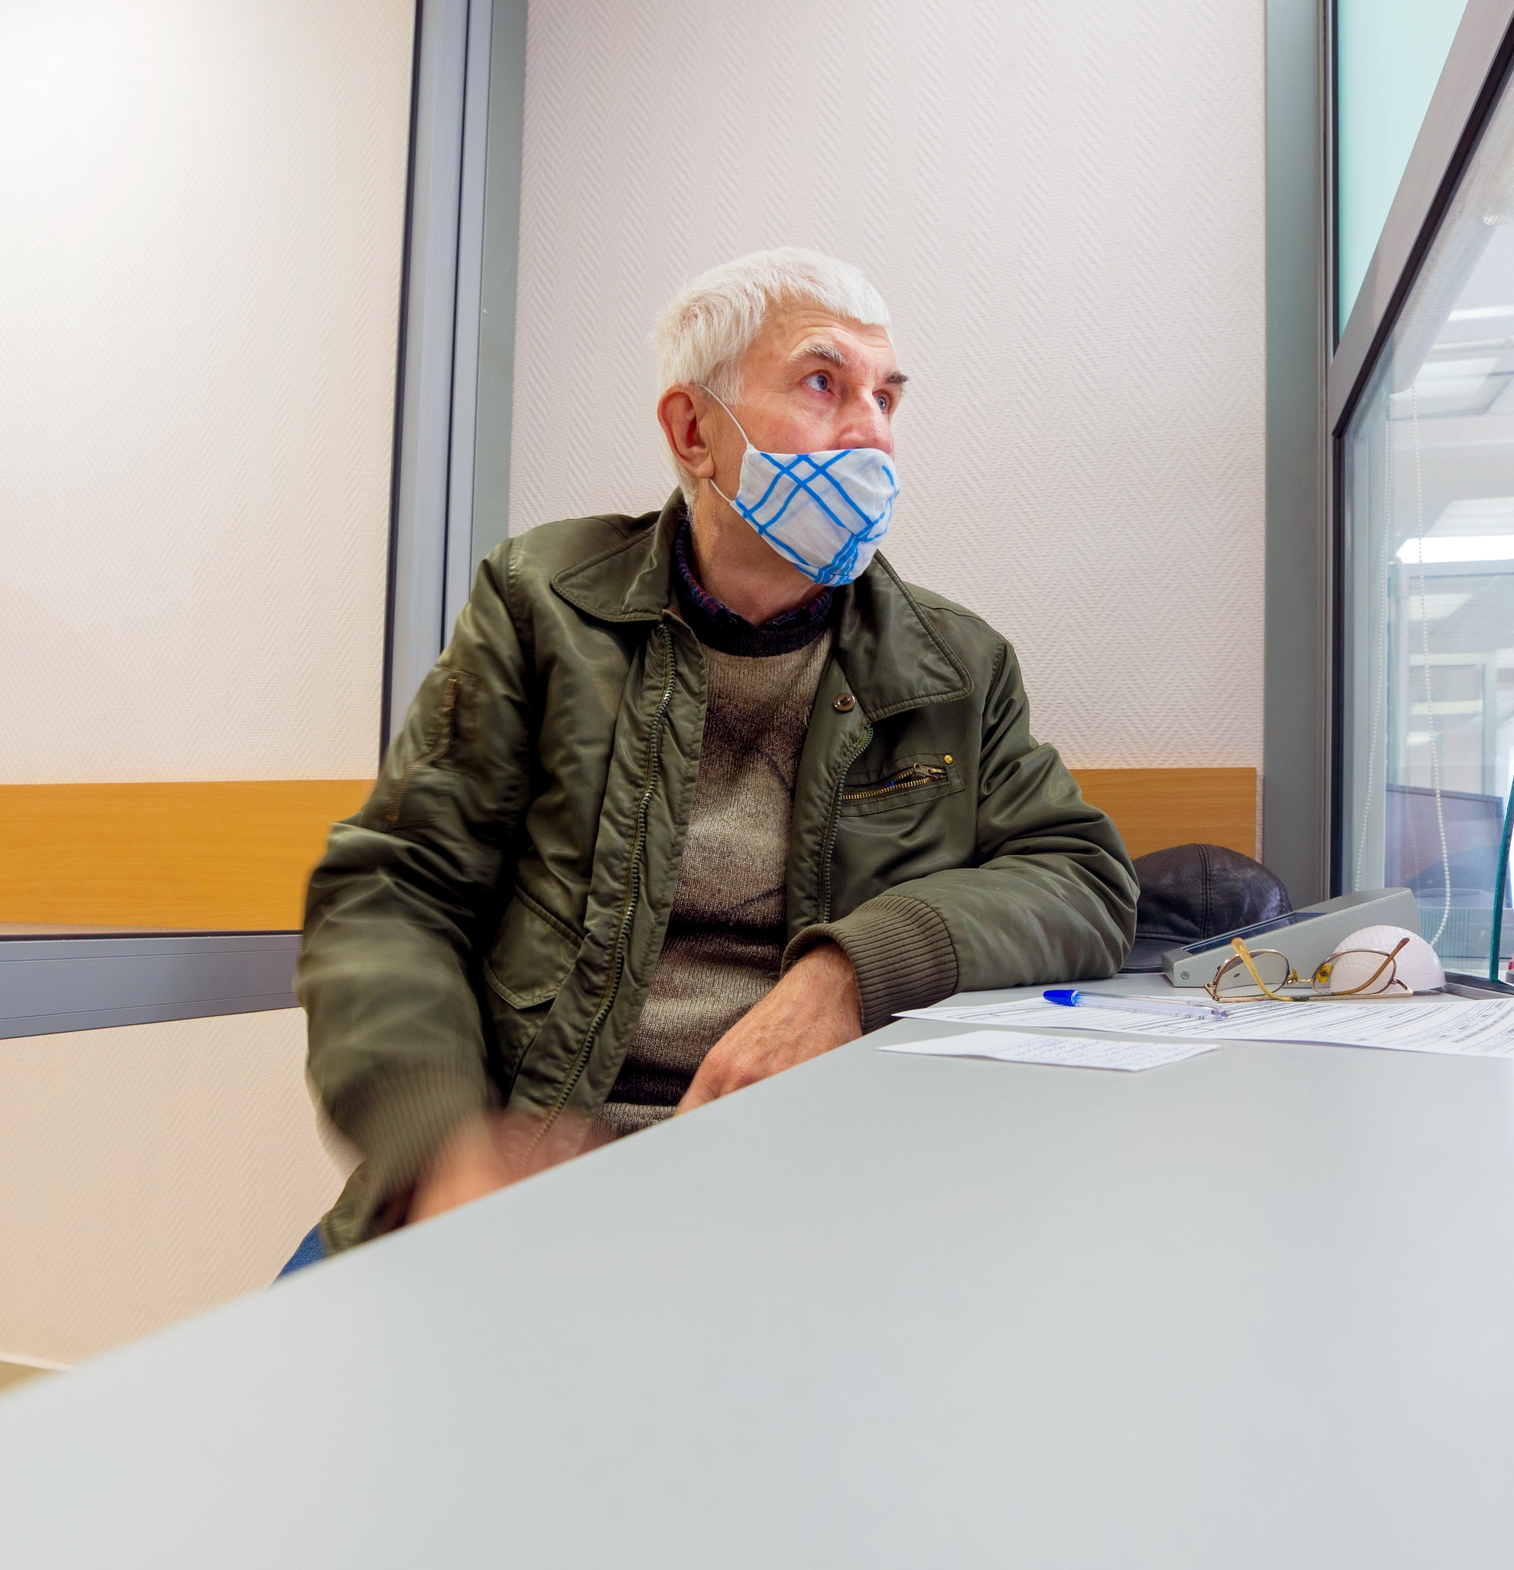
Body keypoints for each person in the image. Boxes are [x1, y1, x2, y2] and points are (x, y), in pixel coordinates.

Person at [292, 248, 1136, 1259]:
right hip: (534, 1179)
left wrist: (851, 972)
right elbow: (392, 890)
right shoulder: (541, 607)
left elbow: (1080, 876)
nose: (871, 430)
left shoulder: (955, 665)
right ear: (695, 432)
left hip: (817, 1197)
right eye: (825, 384)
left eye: (887, 397)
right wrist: (441, 1143)